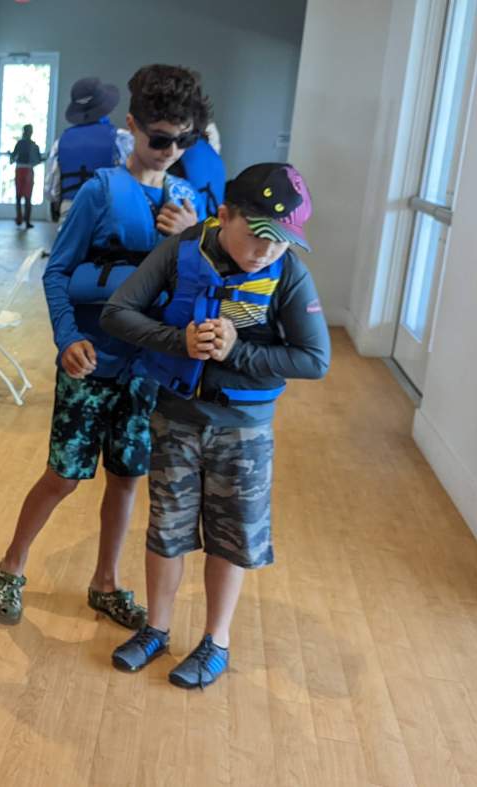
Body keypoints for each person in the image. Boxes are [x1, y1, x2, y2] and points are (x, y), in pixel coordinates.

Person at [0, 64, 210, 627]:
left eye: (183, 139)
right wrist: (67, 339)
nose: (169, 150)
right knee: (63, 476)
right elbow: (57, 271)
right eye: (159, 138)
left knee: (128, 478)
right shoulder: (101, 191)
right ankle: (11, 566)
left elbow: (204, 289)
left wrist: (190, 239)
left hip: (148, 367)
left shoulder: (187, 199)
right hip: (93, 359)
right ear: (131, 126)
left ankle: (105, 581)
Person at [103, 163, 330, 688]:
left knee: (231, 538)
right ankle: (156, 629)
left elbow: (315, 359)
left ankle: (215, 641)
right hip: (175, 420)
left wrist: (241, 351)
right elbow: (119, 312)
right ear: (224, 215)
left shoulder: (288, 273)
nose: (266, 252)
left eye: (281, 242)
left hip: (244, 431)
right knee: (166, 531)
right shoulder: (180, 252)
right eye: (257, 237)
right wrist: (176, 341)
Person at [50, 77, 121, 223]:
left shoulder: (61, 141)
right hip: (108, 209)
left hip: (70, 208)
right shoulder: (120, 139)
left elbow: (51, 190)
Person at [9, 124, 45, 229]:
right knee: (28, 197)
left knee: (18, 196)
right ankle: (27, 221)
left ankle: (19, 218)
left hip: (19, 169)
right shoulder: (34, 145)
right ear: (31, 132)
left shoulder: (19, 144)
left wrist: (10, 156)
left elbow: (13, 157)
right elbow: (38, 160)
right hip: (29, 170)